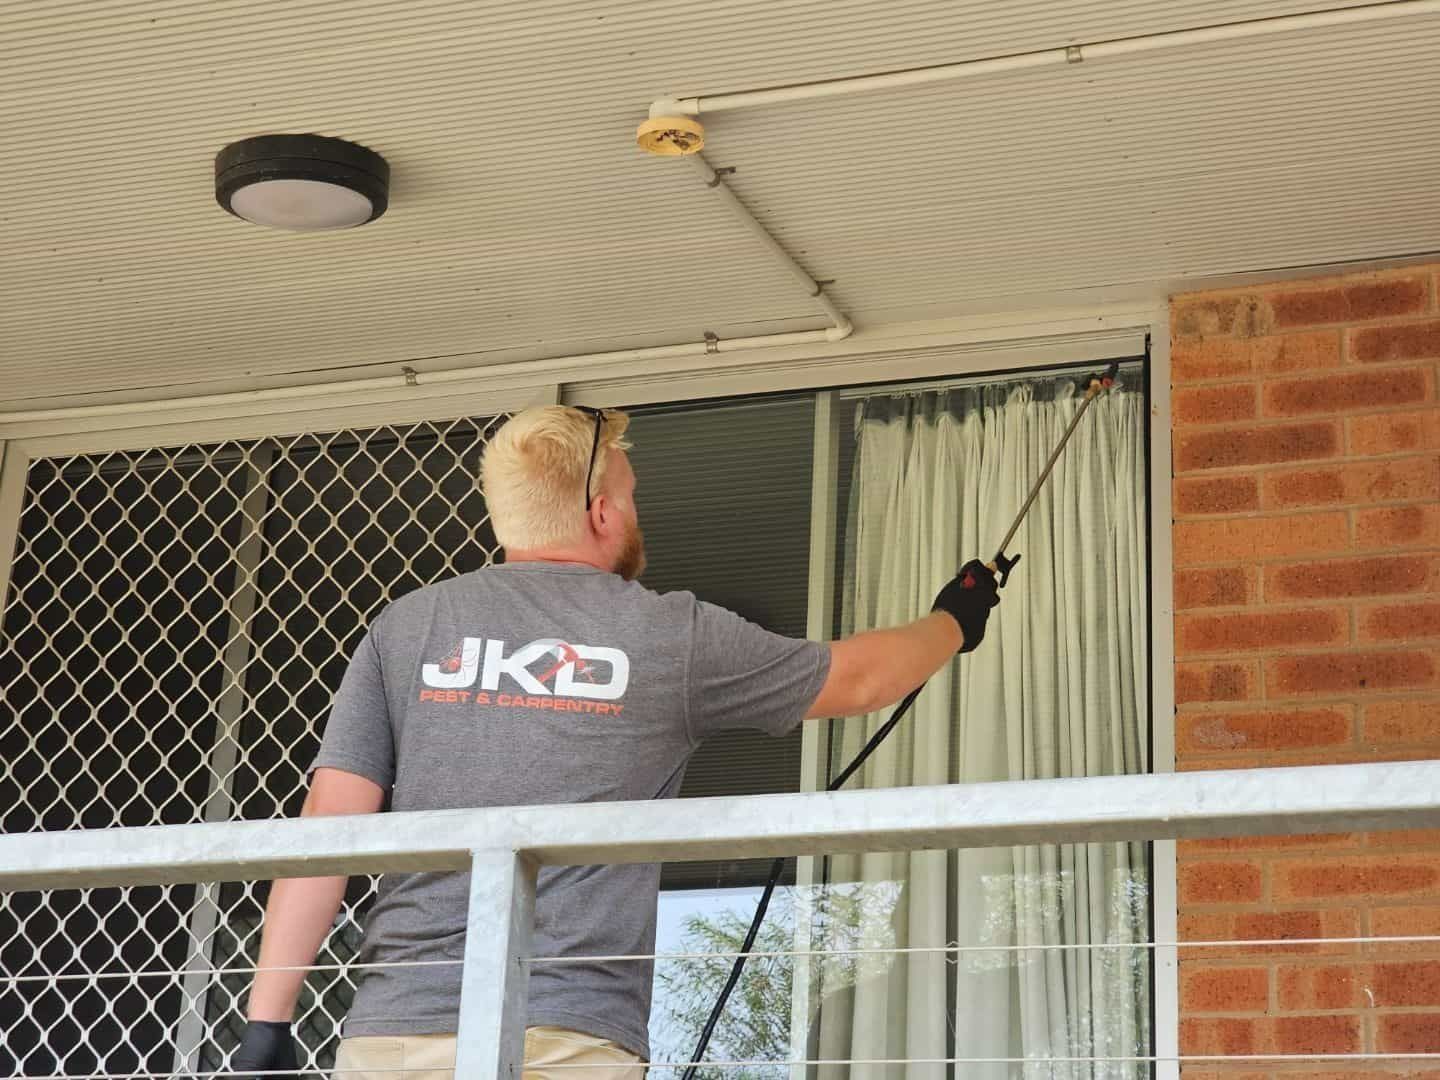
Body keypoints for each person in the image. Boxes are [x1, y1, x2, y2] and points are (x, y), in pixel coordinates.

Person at [233, 405, 1000, 1080]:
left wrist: (267, 1024)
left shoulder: (408, 627)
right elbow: (860, 679)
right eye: (630, 500)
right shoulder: (667, 634)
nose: (635, 515)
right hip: (567, 1039)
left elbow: (330, 825)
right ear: (601, 513)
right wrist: (954, 622)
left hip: (399, 1033)